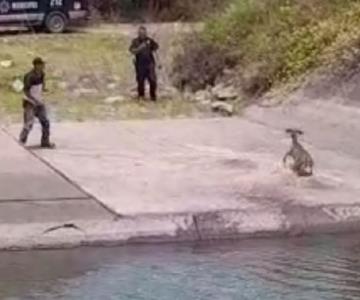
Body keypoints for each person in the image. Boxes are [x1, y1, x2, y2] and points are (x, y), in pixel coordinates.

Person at [19, 57, 55, 148]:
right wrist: (34, 100)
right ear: (36, 65)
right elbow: (26, 91)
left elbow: (42, 86)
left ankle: (45, 142)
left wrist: (45, 91)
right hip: (30, 103)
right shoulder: (29, 76)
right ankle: (21, 141)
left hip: (39, 102)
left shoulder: (42, 74)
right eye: (42, 64)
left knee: (45, 122)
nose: (43, 66)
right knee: (29, 123)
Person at [129, 26, 160, 101]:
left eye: (144, 33)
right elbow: (132, 51)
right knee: (140, 81)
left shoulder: (149, 40)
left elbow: (156, 49)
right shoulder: (135, 41)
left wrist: (159, 62)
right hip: (140, 65)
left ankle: (153, 96)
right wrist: (140, 48)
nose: (143, 35)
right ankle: (141, 96)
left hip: (150, 64)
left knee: (153, 80)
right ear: (138, 34)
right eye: (141, 33)